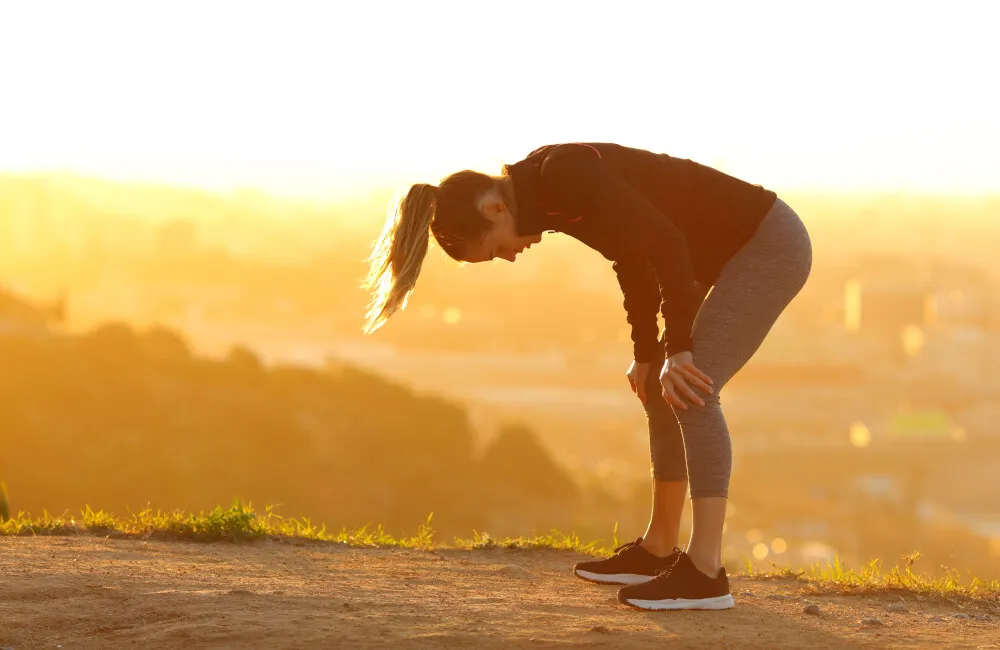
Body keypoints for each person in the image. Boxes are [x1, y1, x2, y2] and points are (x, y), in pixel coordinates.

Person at [362, 142, 812, 611]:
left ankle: (705, 574)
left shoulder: (563, 178)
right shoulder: (547, 191)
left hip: (765, 244)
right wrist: (647, 354)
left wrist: (677, 349)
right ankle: (659, 547)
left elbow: (665, 245)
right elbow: (632, 257)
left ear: (494, 207)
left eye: (496, 249)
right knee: (662, 387)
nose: (511, 258)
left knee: (693, 387)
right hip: (708, 253)